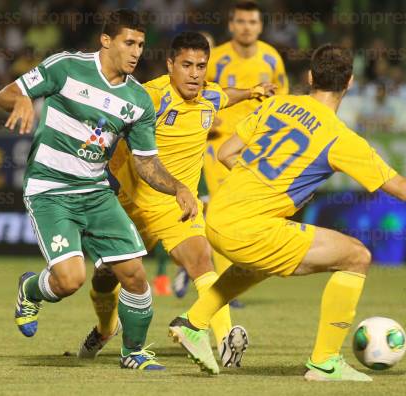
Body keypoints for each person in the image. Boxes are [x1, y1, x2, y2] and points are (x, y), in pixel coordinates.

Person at [168, 44, 406, 379]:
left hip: (219, 214)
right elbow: (405, 190)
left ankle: (194, 323)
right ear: (351, 83)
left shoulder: (279, 104)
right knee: (356, 256)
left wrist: (258, 189)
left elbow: (227, 152)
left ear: (310, 76)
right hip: (249, 226)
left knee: (258, 264)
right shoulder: (342, 139)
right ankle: (325, 362)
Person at [0, 9, 198, 371]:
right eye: (129, 42)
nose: (136, 52)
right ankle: (30, 290)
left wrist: (178, 188)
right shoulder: (66, 67)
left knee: (135, 273)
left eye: (141, 44)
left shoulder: (138, 101)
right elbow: (5, 94)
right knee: (70, 280)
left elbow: (146, 162)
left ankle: (133, 353)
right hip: (50, 189)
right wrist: (23, 99)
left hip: (96, 192)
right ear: (106, 40)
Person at [77, 32, 275, 369]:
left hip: (176, 204)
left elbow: (223, 95)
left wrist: (252, 92)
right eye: (186, 65)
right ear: (171, 65)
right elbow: (108, 112)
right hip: (132, 205)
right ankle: (105, 327)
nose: (195, 74)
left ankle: (225, 341)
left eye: (201, 66)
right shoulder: (150, 96)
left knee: (201, 260)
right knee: (105, 278)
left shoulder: (208, 97)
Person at [203, 1, 289, 298]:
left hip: (255, 145)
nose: (246, 27)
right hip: (219, 144)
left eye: (252, 22)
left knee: (244, 212)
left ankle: (222, 273)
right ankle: (221, 286)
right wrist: (206, 116)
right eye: (241, 21)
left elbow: (281, 100)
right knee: (220, 208)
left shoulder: (272, 59)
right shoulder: (217, 58)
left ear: (260, 26)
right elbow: (198, 91)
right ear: (231, 24)